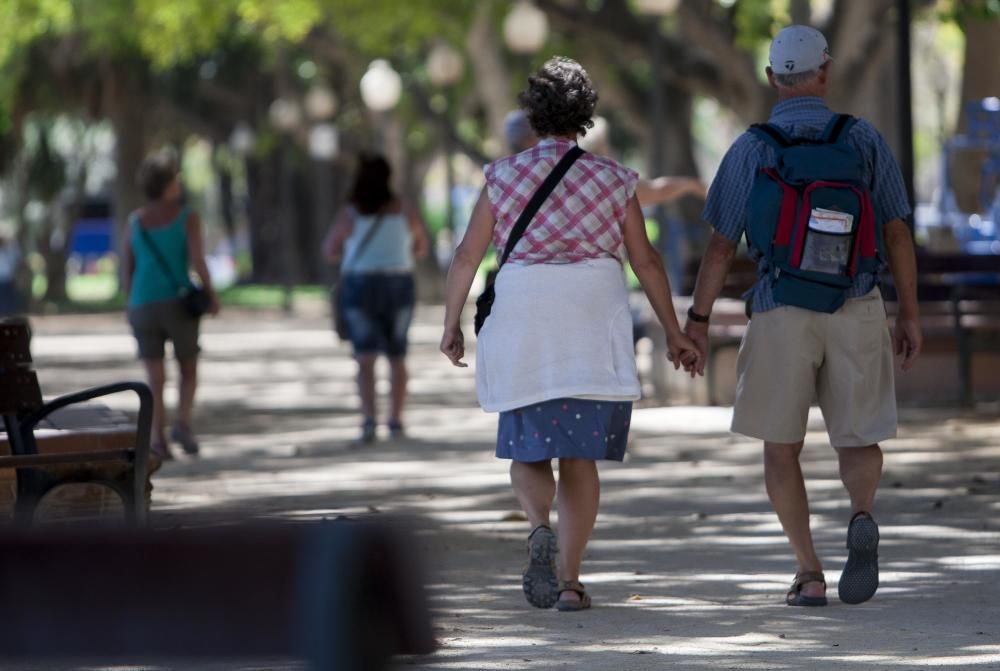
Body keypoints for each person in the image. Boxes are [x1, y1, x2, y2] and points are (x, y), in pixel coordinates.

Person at [441, 57, 700, 611]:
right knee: (578, 457)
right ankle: (570, 580)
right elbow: (646, 261)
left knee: (529, 445)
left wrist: (452, 324)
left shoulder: (500, 177)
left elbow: (467, 256)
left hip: (524, 315)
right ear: (585, 115)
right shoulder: (614, 178)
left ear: (532, 115)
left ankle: (537, 525)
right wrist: (675, 332)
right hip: (590, 317)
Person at [682, 26, 922, 607]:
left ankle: (809, 570)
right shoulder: (861, 139)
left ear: (772, 78)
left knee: (780, 445)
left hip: (780, 309)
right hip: (856, 303)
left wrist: (697, 319)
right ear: (825, 71)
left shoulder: (752, 147)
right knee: (858, 435)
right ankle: (861, 512)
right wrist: (907, 314)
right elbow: (895, 231)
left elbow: (720, 247)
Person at [323, 154, 430, 443]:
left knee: (365, 357)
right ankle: (395, 420)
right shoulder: (405, 209)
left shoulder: (350, 212)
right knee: (397, 355)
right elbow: (421, 248)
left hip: (361, 285)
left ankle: (369, 420)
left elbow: (330, 250)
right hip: (399, 283)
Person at [124, 151, 220, 460]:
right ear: (166, 185)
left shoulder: (135, 222)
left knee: (155, 377)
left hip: (142, 304)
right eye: (175, 179)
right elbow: (198, 260)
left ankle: (158, 440)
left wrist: (132, 302)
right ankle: (183, 424)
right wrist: (211, 294)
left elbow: (127, 270)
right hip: (176, 303)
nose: (179, 183)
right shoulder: (186, 216)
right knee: (188, 367)